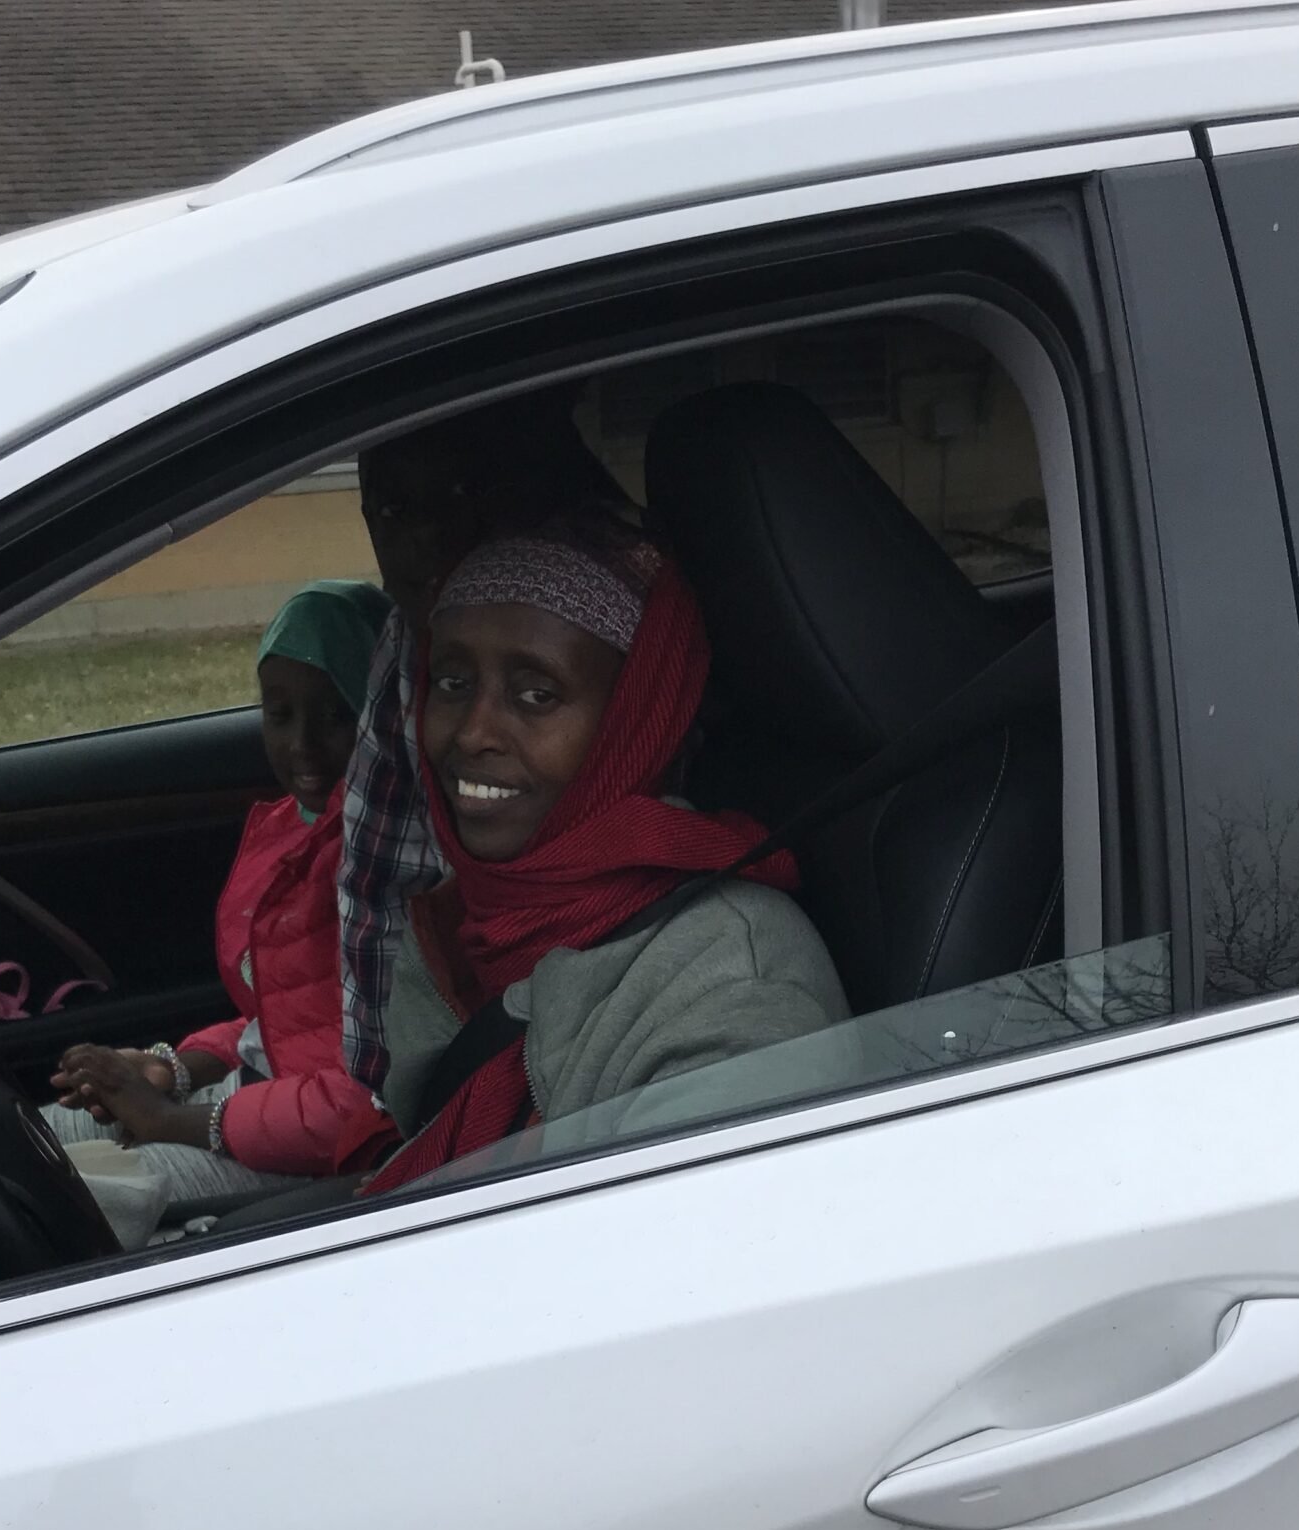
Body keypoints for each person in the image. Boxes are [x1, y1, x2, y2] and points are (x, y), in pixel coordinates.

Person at [363, 523, 848, 1194]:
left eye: (538, 695)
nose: (474, 732)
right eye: (451, 682)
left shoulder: (736, 985)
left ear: (635, 717)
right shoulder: (466, 913)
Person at [46, 578, 392, 1246]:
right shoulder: (292, 827)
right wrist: (172, 1069)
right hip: (258, 1099)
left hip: (326, 1151)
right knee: (32, 1135)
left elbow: (357, 1105)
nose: (303, 747)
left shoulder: (378, 865)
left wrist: (175, 1119)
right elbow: (283, 1016)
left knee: (74, 1201)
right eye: (280, 713)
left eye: (337, 714)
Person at [341, 390, 641, 1091]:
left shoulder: (710, 962)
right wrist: (379, 1099)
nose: (428, 537)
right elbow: (376, 886)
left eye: (535, 695)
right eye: (395, 511)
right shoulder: (404, 641)